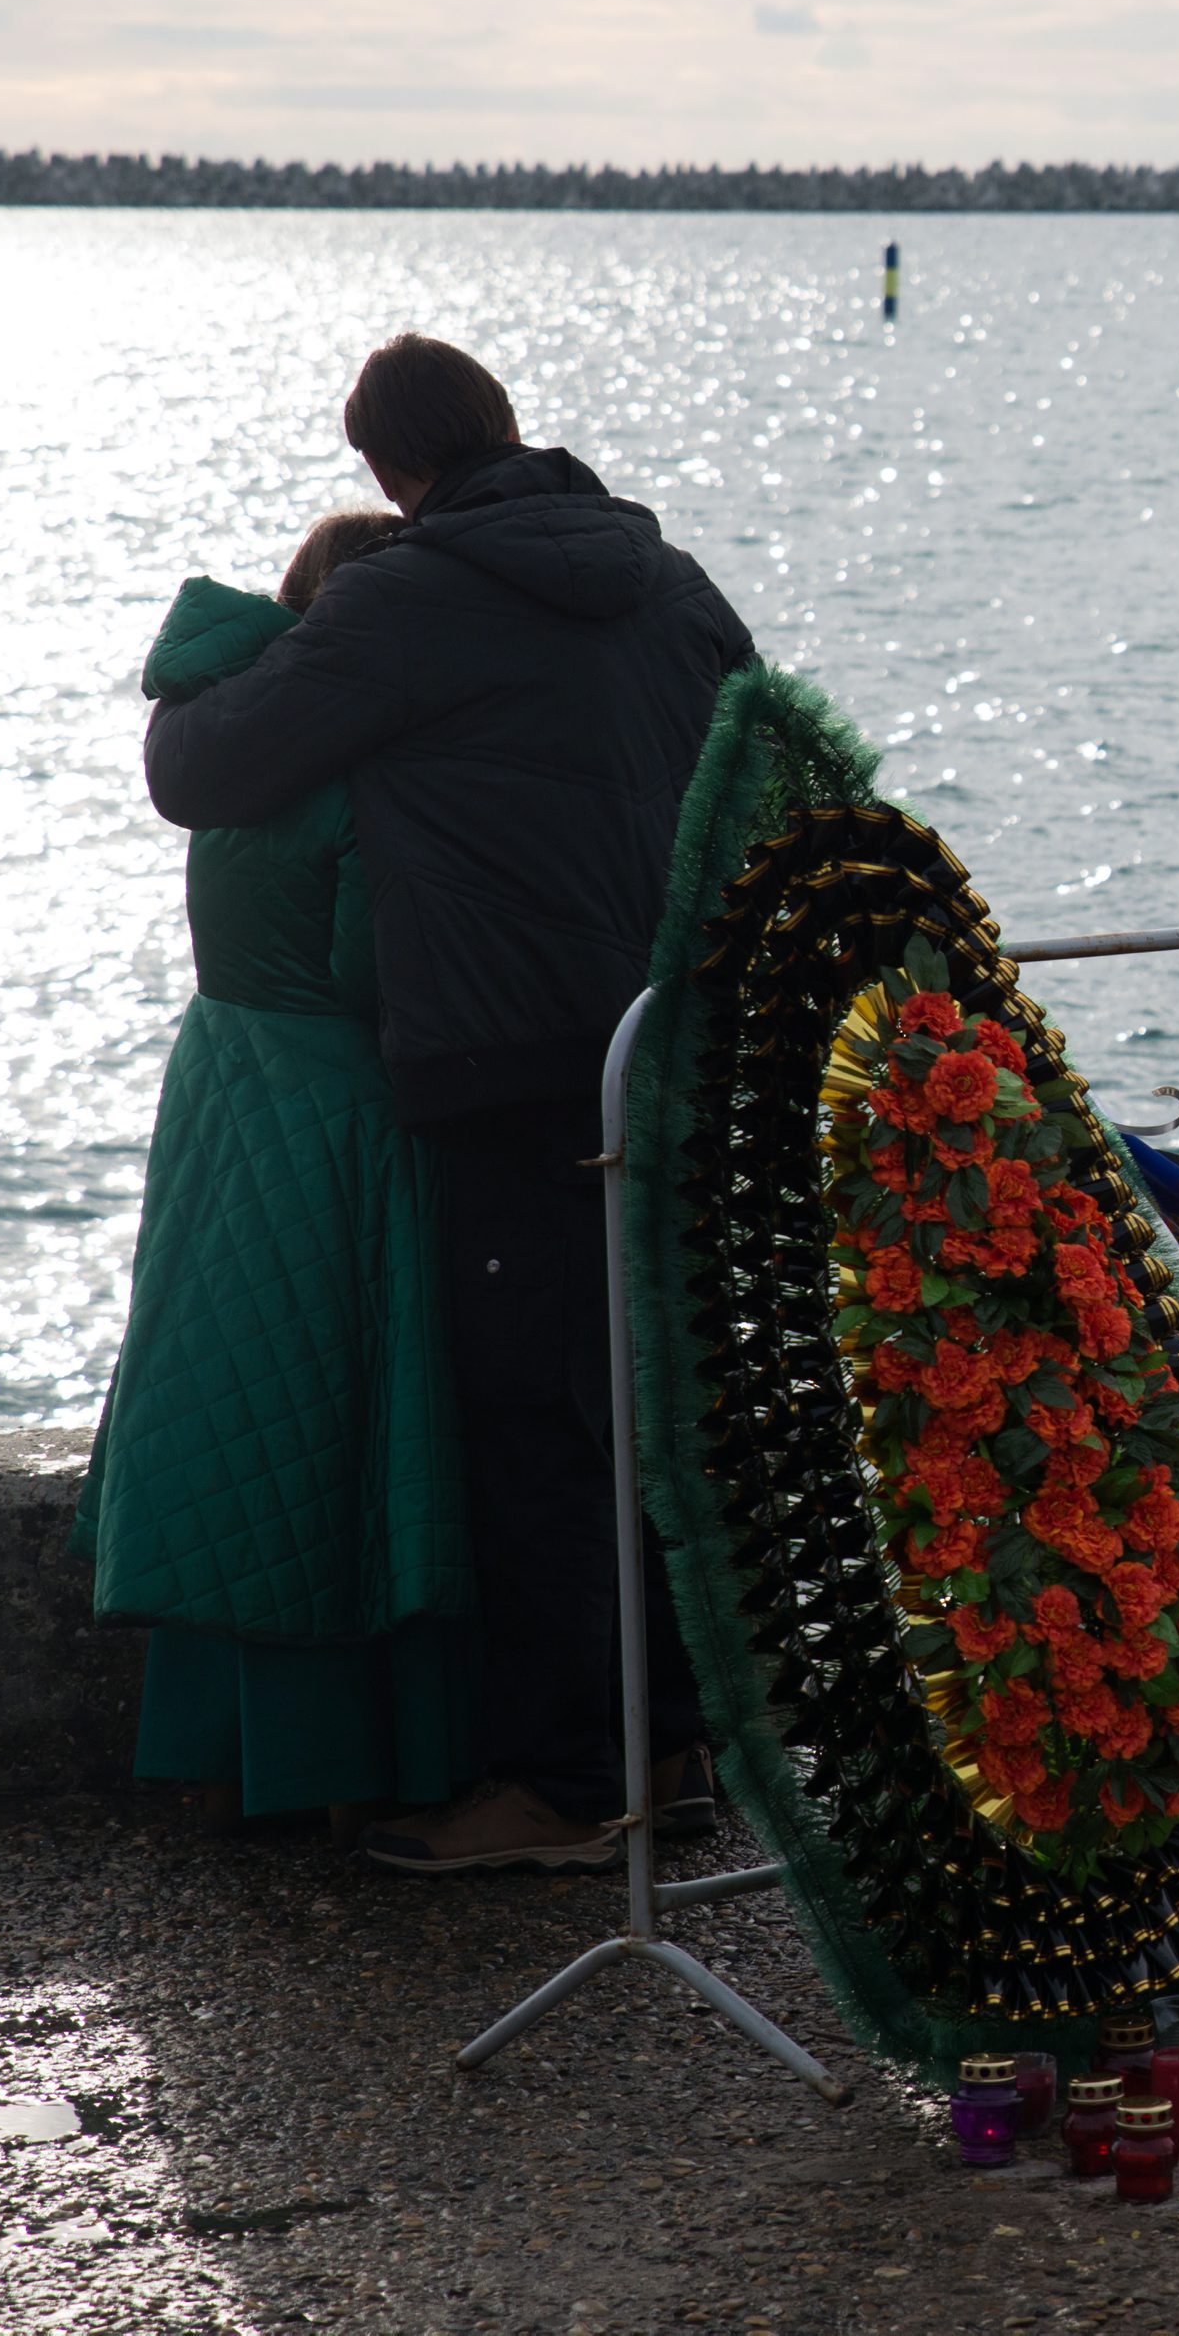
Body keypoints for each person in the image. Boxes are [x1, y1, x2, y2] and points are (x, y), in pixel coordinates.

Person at [146, 335, 755, 1874]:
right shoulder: (669, 581)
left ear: (384, 471)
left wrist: (209, 643)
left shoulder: (407, 597)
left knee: (534, 1430)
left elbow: (206, 770)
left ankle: (560, 1790)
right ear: (505, 426)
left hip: (505, 1064)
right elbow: (761, 769)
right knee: (643, 1410)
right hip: (666, 1048)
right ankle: (672, 1747)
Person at [79, 510, 482, 1828]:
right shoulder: (357, 776)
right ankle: (383, 1757)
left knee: (242, 1399)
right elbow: (384, 970)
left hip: (223, 1087)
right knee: (349, 1423)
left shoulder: (225, 740)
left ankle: (226, 1744)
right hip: (339, 1114)